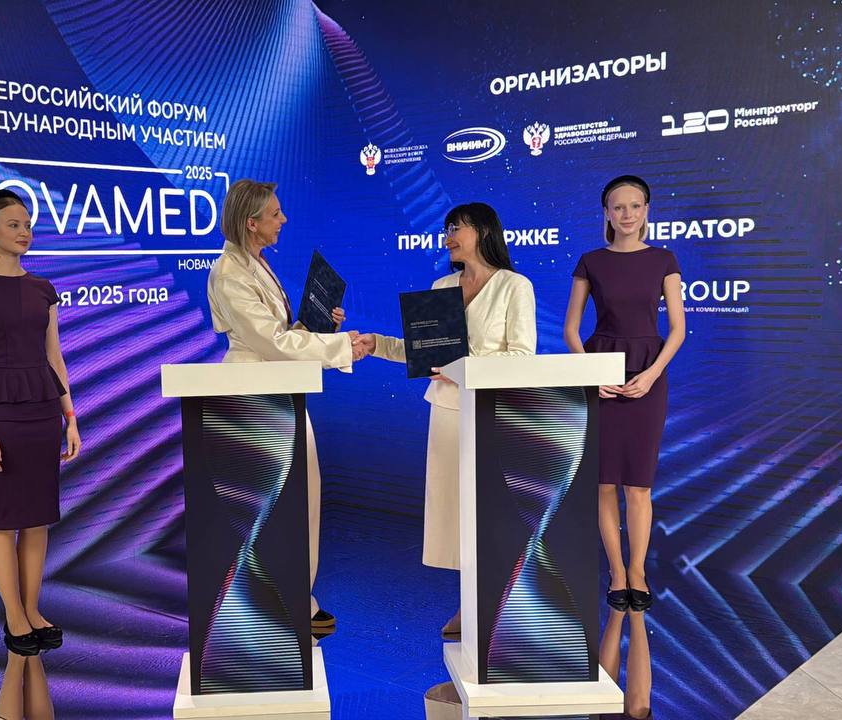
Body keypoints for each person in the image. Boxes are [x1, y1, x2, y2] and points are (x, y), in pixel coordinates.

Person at [355, 202, 536, 638]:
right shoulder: (442, 286)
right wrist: (376, 344)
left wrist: (462, 366)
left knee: (492, 513)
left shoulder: (514, 286)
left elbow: (521, 356)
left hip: (492, 414)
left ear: (484, 232)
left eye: (458, 227)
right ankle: (470, 603)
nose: (449, 235)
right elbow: (425, 352)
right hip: (447, 412)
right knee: (456, 514)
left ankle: (501, 605)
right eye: (447, 227)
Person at [206, 179, 365, 635]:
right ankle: (264, 607)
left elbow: (280, 335)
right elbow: (270, 343)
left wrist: (318, 325)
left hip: (278, 388)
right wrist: (338, 346)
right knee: (267, 505)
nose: (284, 220)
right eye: (275, 214)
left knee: (301, 495)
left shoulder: (257, 264)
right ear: (250, 223)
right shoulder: (228, 273)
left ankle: (295, 596)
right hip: (253, 397)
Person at [0, 189, 81, 656]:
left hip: (43, 410)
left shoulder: (43, 288)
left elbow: (54, 357)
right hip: (0, 412)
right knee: (6, 519)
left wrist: (70, 417)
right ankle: (13, 616)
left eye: (27, 224)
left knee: (38, 518)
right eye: (13, 224)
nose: (24, 231)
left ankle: (32, 609)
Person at [563, 175, 684, 613]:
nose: (627, 214)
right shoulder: (591, 261)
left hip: (649, 373)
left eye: (635, 206)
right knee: (603, 483)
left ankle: (638, 572)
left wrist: (652, 375)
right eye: (618, 207)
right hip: (602, 373)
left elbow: (678, 329)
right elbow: (571, 329)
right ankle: (616, 573)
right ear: (607, 214)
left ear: (647, 210)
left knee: (638, 484)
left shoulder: (664, 259)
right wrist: (589, 376)